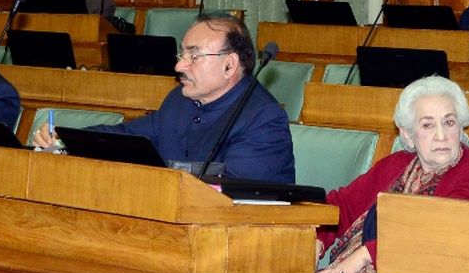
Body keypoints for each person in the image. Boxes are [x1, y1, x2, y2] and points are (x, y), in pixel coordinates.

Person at [33, 15, 295, 182]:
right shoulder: (178, 101)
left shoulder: (263, 118)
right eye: (181, 55)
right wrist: (65, 140)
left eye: (193, 56)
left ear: (230, 65)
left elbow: (236, 193)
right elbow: (126, 136)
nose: (179, 67)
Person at [314, 75, 469, 273]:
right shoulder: (396, 164)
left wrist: (364, 255)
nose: (441, 136)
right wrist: (316, 238)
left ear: (461, 126)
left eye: (449, 123)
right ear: (408, 134)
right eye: (428, 125)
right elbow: (342, 204)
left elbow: (442, 231)